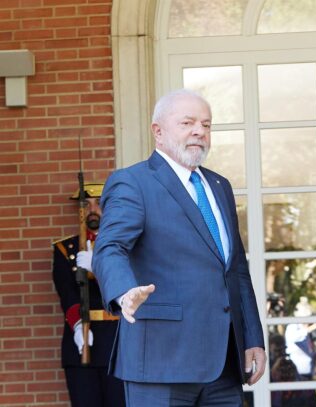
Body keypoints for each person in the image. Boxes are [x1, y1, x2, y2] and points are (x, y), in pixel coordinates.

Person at [92, 89, 266, 406]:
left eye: (206, 124)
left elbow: (236, 269)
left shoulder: (219, 186)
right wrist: (123, 291)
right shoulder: (133, 182)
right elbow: (110, 247)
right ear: (158, 132)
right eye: (187, 123)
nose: (199, 131)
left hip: (224, 364)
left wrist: (252, 337)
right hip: (161, 362)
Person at [52, 183, 125, 407]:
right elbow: (67, 294)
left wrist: (100, 269)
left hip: (118, 343)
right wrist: (77, 326)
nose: (92, 210)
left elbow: (128, 290)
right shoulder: (66, 249)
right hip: (83, 342)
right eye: (86, 204)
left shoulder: (124, 247)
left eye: (99, 203)